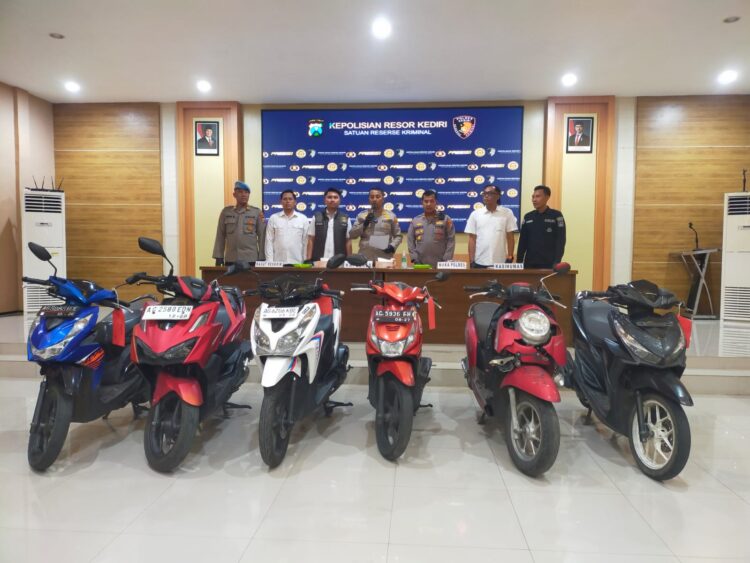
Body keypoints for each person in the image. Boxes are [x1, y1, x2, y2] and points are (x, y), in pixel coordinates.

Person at [212, 181, 264, 266]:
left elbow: (262, 237)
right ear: (234, 195)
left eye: (246, 192)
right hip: (231, 258)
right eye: (240, 192)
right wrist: (219, 256)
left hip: (251, 259)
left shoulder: (256, 212)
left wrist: (262, 258)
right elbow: (220, 235)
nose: (244, 195)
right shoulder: (226, 212)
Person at [466, 184, 518, 268]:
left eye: (490, 193)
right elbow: (472, 239)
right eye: (484, 193)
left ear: (498, 196)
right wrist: (471, 261)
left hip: (500, 262)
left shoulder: (507, 213)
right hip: (479, 261)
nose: (486, 196)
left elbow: (510, 237)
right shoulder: (475, 214)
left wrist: (510, 256)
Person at [516, 185, 566, 269]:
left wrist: (557, 261)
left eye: (538, 196)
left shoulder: (556, 215)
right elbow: (522, 241)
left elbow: (561, 240)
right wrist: (519, 261)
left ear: (547, 197)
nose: (534, 199)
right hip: (529, 263)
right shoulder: (528, 216)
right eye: (533, 197)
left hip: (549, 263)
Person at [349, 187, 402, 262]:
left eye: (377, 197)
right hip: (365, 257)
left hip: (384, 257)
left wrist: (392, 246)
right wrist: (364, 224)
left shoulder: (391, 216)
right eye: (372, 197)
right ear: (369, 199)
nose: (374, 199)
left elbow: (398, 236)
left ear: (383, 199)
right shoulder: (362, 215)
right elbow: (352, 235)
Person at [407, 189, 455, 267]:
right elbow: (410, 241)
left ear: (436, 202)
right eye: (426, 201)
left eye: (431, 201)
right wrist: (414, 258)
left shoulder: (445, 219)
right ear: (422, 203)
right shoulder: (415, 220)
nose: (428, 204)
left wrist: (446, 259)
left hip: (441, 264)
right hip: (420, 264)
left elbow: (451, 240)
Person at [306, 188, 352, 262]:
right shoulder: (317, 217)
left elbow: (348, 241)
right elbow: (311, 239)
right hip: (319, 261)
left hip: (339, 262)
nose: (332, 200)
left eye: (335, 197)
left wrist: (349, 261)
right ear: (325, 200)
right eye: (329, 197)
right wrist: (308, 259)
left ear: (339, 200)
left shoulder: (345, 218)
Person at [265, 190, 309, 263]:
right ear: (281, 202)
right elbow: (269, 241)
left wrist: (305, 261)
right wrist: (269, 261)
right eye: (285, 199)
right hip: (278, 262)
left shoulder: (303, 219)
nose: (287, 201)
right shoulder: (273, 218)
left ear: (295, 202)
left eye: (290, 199)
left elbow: (306, 242)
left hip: (298, 262)